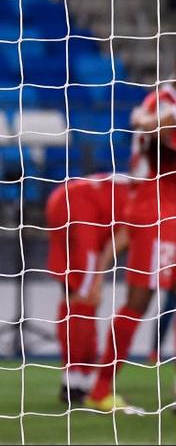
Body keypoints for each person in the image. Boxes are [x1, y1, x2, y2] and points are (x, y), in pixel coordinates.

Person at [84, 46, 176, 414]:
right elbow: (149, 134)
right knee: (139, 302)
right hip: (152, 211)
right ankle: (101, 388)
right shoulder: (164, 101)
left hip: (169, 214)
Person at [45, 172, 133, 404]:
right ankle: (77, 382)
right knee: (84, 299)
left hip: (63, 198)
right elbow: (122, 236)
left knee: (76, 297)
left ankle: (75, 380)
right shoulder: (154, 198)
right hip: (81, 207)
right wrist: (98, 277)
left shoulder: (138, 185)